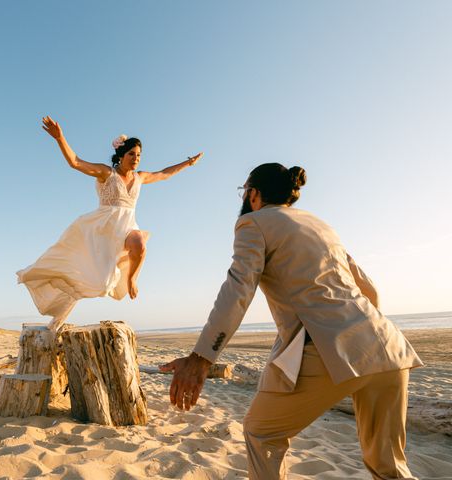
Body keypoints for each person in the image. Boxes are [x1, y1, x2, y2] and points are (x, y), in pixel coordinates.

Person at [161, 163, 423, 480]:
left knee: (261, 433)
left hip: (329, 347)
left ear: (253, 193)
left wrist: (202, 358)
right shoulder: (320, 225)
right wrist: (364, 335)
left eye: (243, 191)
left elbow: (238, 290)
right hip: (386, 344)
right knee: (389, 468)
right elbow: (369, 291)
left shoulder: (252, 223)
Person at [17, 116, 203, 331]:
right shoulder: (107, 173)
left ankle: (132, 279)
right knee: (98, 282)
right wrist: (60, 138)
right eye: (132, 154)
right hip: (103, 231)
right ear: (121, 155)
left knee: (140, 244)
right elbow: (75, 162)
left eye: (139, 155)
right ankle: (59, 316)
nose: (136, 158)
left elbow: (164, 173)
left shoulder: (140, 177)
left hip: (127, 227)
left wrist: (188, 163)